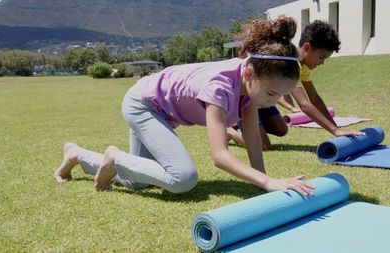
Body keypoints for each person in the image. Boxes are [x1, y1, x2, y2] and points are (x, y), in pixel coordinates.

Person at [53, 17, 314, 196]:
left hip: (160, 109)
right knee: (183, 178)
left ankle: (76, 154)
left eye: (280, 95)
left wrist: (264, 182)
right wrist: (268, 182)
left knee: (136, 181)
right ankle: (114, 157)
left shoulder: (253, 88)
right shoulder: (221, 87)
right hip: (143, 104)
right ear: (248, 75)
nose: (272, 102)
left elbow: (253, 139)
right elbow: (219, 156)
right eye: (270, 94)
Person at [228, 20, 364, 150]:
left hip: (263, 100)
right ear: (307, 48)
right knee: (263, 145)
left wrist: (337, 129)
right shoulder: (290, 64)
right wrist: (335, 130)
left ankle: (249, 125)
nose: (322, 63)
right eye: (321, 57)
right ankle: (230, 131)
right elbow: (304, 104)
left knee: (281, 130)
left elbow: (314, 98)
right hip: (246, 99)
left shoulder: (303, 67)